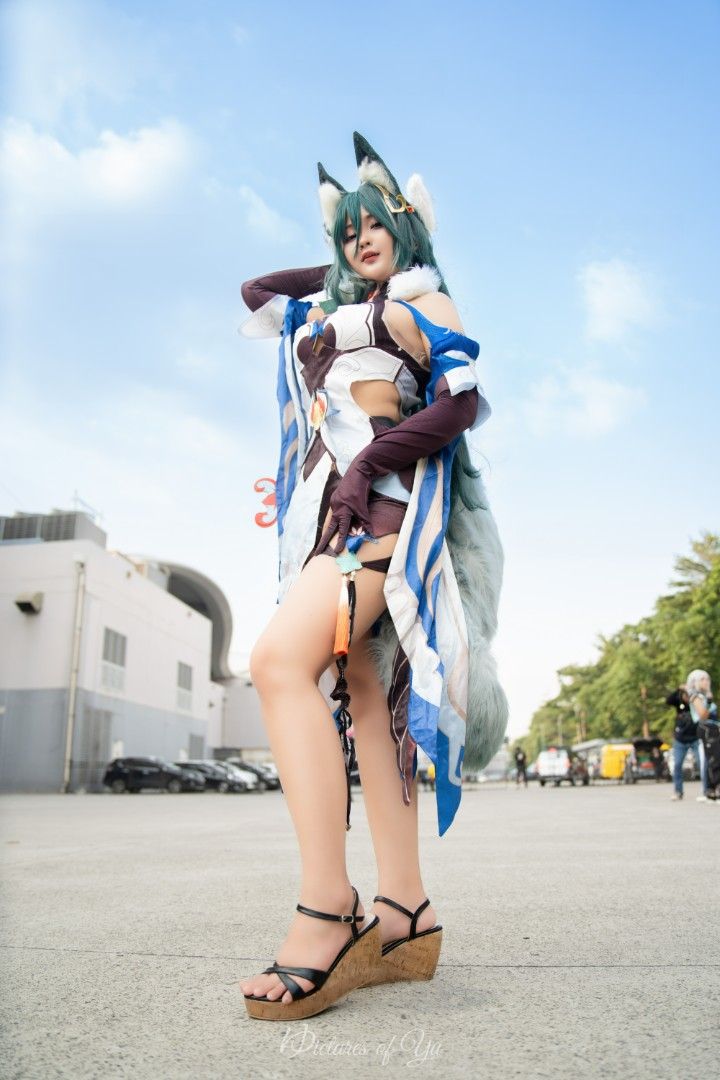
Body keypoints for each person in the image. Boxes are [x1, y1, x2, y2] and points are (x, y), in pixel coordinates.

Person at [237, 133, 507, 1020]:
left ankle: (329, 907)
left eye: (376, 224)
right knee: (365, 688)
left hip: (385, 516)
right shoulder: (336, 301)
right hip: (329, 521)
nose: (360, 239)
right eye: (347, 229)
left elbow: (462, 403)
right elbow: (256, 291)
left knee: (278, 663)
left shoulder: (425, 300)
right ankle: (405, 910)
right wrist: (336, 262)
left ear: (409, 227)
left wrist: (366, 466)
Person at [667, 683, 707, 801]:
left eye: (688, 695)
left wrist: (694, 690)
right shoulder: (678, 703)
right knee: (677, 764)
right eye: (685, 695)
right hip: (680, 740)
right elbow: (668, 701)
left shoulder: (695, 703)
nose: (687, 698)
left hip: (695, 739)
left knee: (702, 764)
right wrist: (678, 689)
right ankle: (678, 791)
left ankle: (706, 790)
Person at [686, 670, 717, 802]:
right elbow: (703, 715)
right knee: (709, 760)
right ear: (696, 682)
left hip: (713, 728)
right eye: (702, 679)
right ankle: (708, 790)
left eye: (707, 679)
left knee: (714, 759)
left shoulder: (704, 695)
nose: (706, 682)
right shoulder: (695, 696)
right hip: (705, 729)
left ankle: (711, 789)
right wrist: (709, 701)